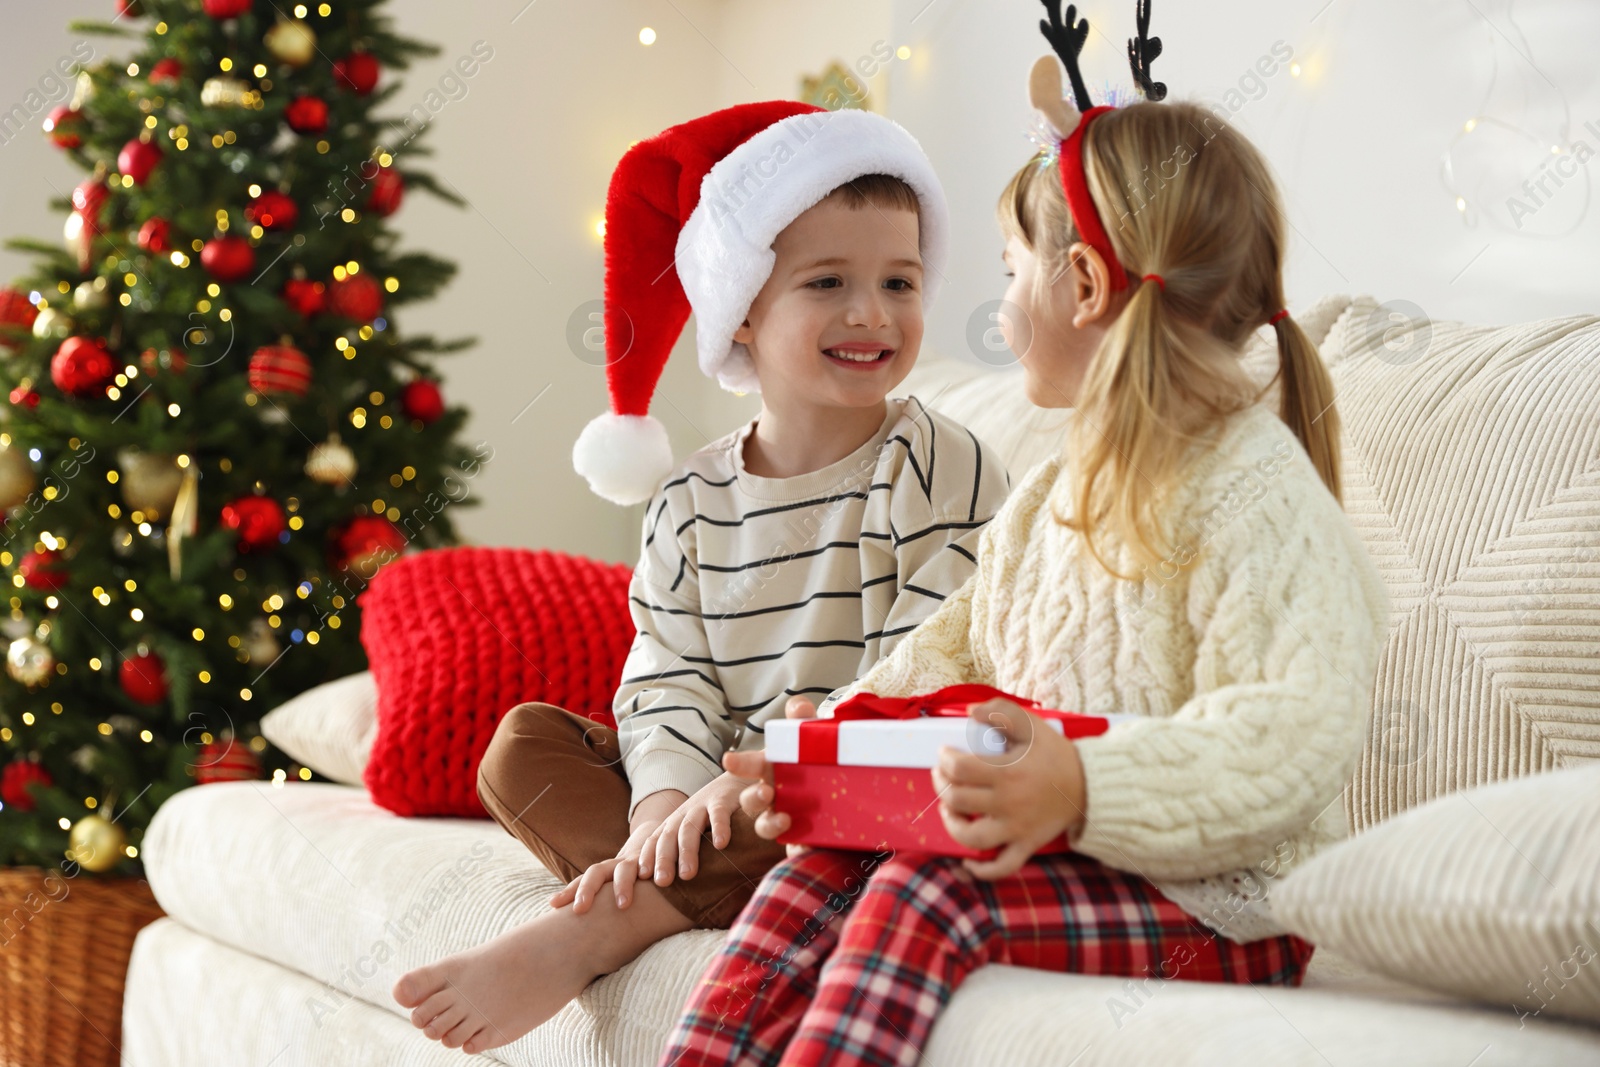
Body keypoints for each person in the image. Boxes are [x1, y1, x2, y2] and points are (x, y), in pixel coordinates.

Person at [659, 36, 1393, 1067]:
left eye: (1010, 274)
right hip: (1065, 856)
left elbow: (1290, 731)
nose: (999, 310)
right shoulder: (1052, 491)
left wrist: (1084, 785)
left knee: (929, 891)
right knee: (812, 870)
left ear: (1083, 284)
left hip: (1222, 907)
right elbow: (945, 658)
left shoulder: (1256, 490)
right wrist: (815, 755)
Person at [391, 101, 1009, 1056]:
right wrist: (664, 805)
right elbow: (668, 673)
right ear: (746, 310)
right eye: (828, 281)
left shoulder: (942, 462)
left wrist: (773, 771)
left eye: (900, 280)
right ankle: (703, 886)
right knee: (522, 749)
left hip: (862, 780)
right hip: (728, 805)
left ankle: (599, 926)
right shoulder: (688, 499)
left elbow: (930, 664)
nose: (872, 313)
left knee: (884, 781)